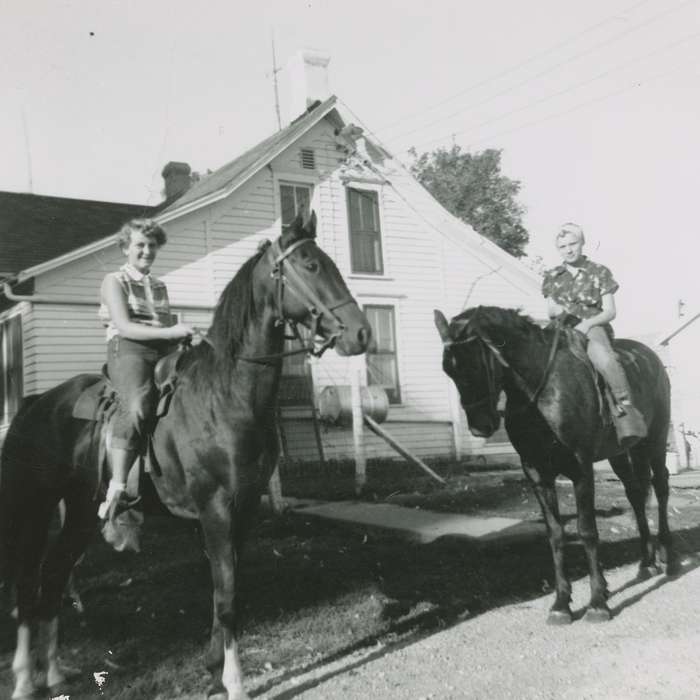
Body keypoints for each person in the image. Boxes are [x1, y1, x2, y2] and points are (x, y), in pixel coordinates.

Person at [97, 218, 193, 520]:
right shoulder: (114, 280)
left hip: (162, 348)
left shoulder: (159, 285)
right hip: (128, 348)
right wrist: (172, 332)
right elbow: (125, 327)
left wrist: (188, 336)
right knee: (137, 405)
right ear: (126, 247)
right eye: (140, 244)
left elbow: (164, 329)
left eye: (152, 245)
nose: (147, 250)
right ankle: (118, 485)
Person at [541, 222, 647, 447]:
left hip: (593, 327)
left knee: (605, 359)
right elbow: (550, 308)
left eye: (573, 244)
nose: (568, 250)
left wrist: (586, 324)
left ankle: (626, 412)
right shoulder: (552, 275)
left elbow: (610, 311)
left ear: (582, 243)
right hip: (561, 327)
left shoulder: (599, 272)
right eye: (562, 246)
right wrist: (557, 311)